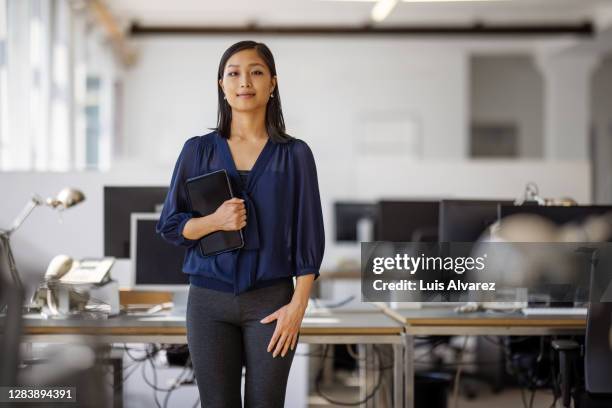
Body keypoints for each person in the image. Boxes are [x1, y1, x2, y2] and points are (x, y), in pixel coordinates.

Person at [156, 40, 325, 408]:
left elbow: (309, 237)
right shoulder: (196, 150)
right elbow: (170, 225)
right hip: (208, 303)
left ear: (272, 83)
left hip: (272, 302)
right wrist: (213, 222)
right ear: (222, 85)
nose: (244, 81)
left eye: (256, 72)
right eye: (233, 73)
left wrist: (299, 305)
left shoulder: (295, 155)